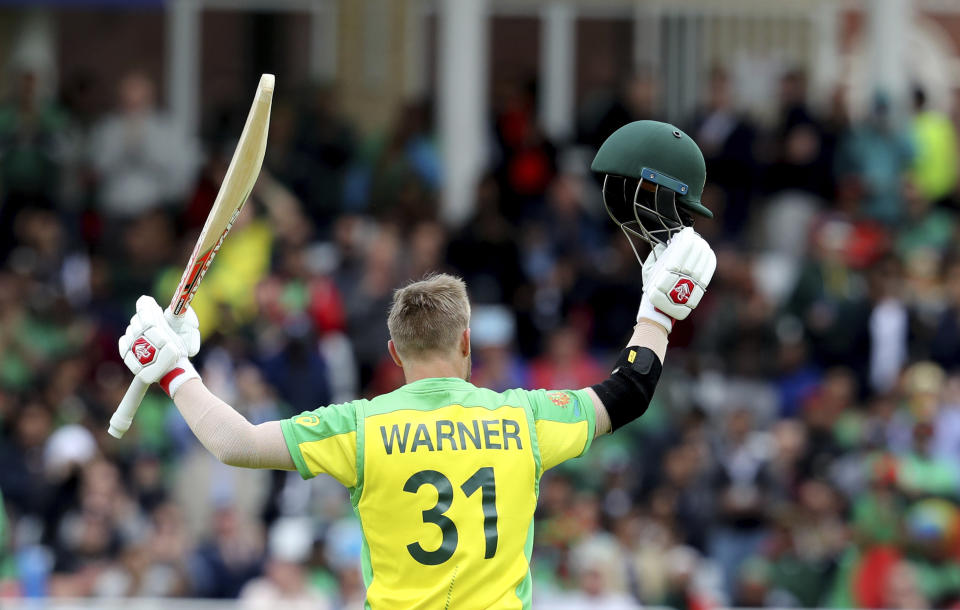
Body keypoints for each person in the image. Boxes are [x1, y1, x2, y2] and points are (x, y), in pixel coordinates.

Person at [116, 121, 717, 608]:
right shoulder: (524, 418)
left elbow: (235, 442)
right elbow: (630, 392)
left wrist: (173, 370)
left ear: (394, 352)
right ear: (466, 344)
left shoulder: (360, 428)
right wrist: (657, 315)